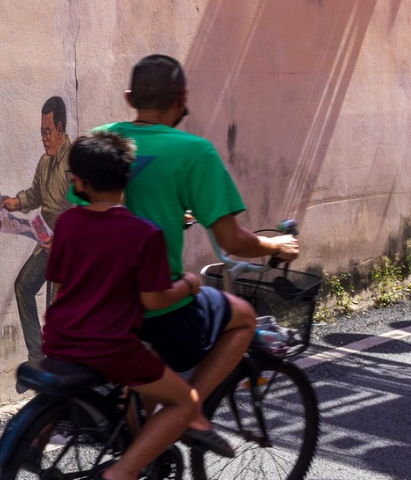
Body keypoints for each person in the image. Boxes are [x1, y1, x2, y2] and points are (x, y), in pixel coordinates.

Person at [102, 54, 300, 439]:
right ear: (182, 98)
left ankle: (136, 444)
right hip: (160, 307)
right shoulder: (194, 152)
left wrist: (169, 214)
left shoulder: (100, 140)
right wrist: (276, 246)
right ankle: (189, 408)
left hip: (103, 302)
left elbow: (99, 213)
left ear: (129, 98)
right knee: (242, 315)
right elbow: (232, 241)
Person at [41, 130, 205, 480]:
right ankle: (125, 471)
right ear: (127, 178)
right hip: (111, 349)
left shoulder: (67, 223)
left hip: (61, 339)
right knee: (186, 401)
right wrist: (188, 284)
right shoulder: (143, 234)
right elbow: (153, 300)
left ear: (79, 182)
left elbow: (59, 283)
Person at [1, 95, 73, 363]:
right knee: (23, 285)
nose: (44, 138)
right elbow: (35, 195)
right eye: (42, 132)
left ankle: (61, 363)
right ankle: (36, 354)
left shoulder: (74, 162)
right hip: (45, 240)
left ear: (61, 128)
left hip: (68, 245)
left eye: (47, 132)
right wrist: (16, 202)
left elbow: (82, 209)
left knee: (57, 306)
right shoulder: (45, 162)